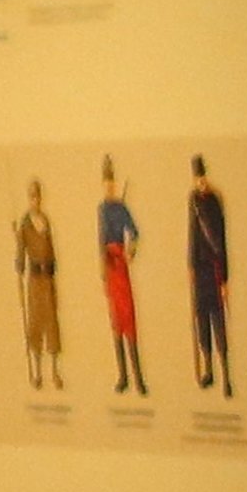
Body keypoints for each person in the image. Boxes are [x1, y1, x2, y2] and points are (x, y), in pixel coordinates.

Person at [99, 160, 150, 395]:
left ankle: (138, 378)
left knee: (129, 317)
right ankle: (123, 376)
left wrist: (131, 250)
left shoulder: (121, 208)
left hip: (120, 265)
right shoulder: (102, 208)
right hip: (109, 268)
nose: (109, 188)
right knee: (116, 321)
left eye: (111, 184)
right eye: (105, 184)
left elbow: (135, 233)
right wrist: (102, 268)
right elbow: (100, 240)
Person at [185, 157, 234, 393]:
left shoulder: (214, 201)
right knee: (202, 320)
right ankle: (209, 371)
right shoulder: (192, 201)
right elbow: (192, 235)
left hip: (214, 269)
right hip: (200, 270)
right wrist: (191, 266)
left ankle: (225, 375)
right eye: (197, 178)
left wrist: (224, 277)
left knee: (218, 321)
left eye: (202, 177)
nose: (201, 182)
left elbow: (221, 240)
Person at [16, 180, 65, 388]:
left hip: (48, 278)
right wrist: (19, 267)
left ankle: (54, 373)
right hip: (35, 280)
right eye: (32, 196)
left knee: (51, 323)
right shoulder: (25, 224)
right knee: (35, 324)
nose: (35, 200)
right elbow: (20, 253)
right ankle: (37, 374)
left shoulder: (45, 220)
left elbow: (51, 248)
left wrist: (54, 270)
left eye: (37, 196)